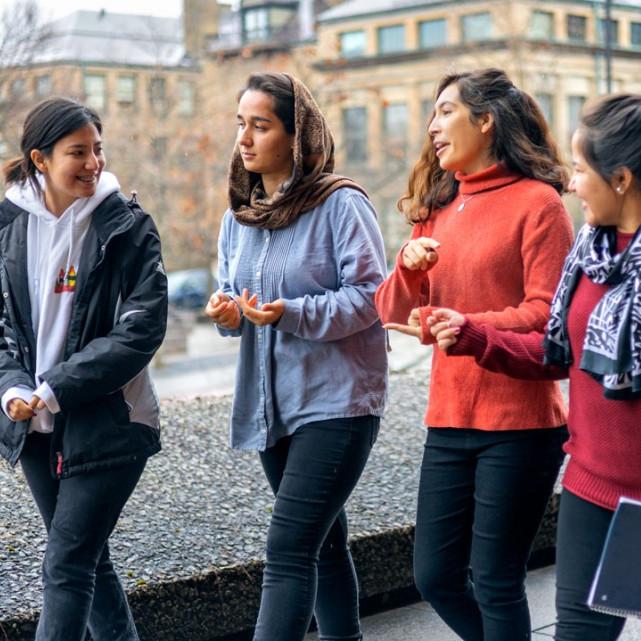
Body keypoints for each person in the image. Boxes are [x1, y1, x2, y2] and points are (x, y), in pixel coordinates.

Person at [429, 93, 641, 641]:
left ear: (619, 179)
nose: (570, 183)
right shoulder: (592, 252)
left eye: (578, 168)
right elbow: (556, 357)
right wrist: (475, 336)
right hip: (592, 488)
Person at [376, 68, 574, 641]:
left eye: (445, 112)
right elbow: (389, 310)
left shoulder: (539, 205)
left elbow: (547, 316)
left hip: (521, 422)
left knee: (495, 581)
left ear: (485, 121)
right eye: (432, 115)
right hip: (449, 416)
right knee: (434, 576)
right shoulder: (436, 206)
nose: (432, 127)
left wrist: (467, 324)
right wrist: (409, 270)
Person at [205, 72, 387, 641]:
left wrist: (290, 312)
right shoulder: (240, 215)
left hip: (338, 402)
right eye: (241, 124)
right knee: (322, 543)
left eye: (260, 126)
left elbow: (370, 298)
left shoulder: (340, 204)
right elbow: (236, 297)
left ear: (296, 135)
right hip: (273, 405)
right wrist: (229, 313)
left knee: (287, 549)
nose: (245, 139)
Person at [0, 97, 167, 641]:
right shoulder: (9, 228)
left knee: (66, 565)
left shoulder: (128, 226)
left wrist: (53, 389)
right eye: (78, 152)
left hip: (112, 419)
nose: (93, 162)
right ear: (40, 159)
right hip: (36, 425)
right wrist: (14, 391)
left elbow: (140, 330)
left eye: (97, 149)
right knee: (89, 562)